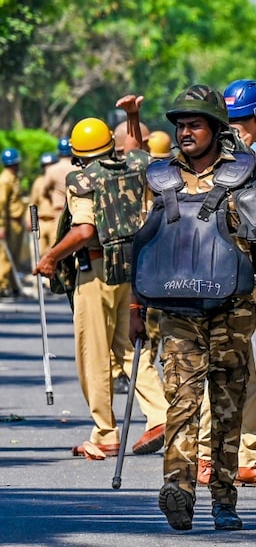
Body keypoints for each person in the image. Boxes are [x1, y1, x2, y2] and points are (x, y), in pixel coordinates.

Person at [131, 84, 256, 531]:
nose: (184, 132)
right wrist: (134, 306)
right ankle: (178, 490)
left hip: (231, 311)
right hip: (178, 309)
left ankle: (223, 498)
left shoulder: (240, 177)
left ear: (215, 129)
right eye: (180, 125)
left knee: (225, 407)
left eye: (194, 124)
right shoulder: (160, 178)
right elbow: (144, 244)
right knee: (181, 403)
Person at [34, 108, 168, 460]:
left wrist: (51, 257)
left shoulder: (82, 180)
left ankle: (105, 432)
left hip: (96, 273)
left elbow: (84, 231)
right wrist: (134, 115)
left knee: (94, 354)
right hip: (133, 272)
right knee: (130, 347)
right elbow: (137, 147)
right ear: (111, 145)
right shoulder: (136, 166)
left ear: (77, 154)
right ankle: (159, 415)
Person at [195, 79, 256, 489]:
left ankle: (239, 457)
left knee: (244, 371)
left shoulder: (221, 153)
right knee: (241, 370)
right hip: (240, 279)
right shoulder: (240, 159)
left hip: (225, 276)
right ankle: (214, 455)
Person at [0, 147, 27, 296]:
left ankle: (12, 285)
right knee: (5, 256)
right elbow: (1, 204)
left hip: (16, 222)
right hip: (8, 223)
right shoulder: (5, 180)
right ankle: (3, 286)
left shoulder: (14, 178)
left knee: (14, 255)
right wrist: (2, 225)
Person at [29, 152, 59, 257]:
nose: (48, 168)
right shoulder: (38, 182)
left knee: (54, 252)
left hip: (55, 221)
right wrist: (29, 219)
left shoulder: (58, 180)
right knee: (40, 253)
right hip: (41, 222)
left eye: (50, 165)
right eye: (45, 165)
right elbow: (33, 202)